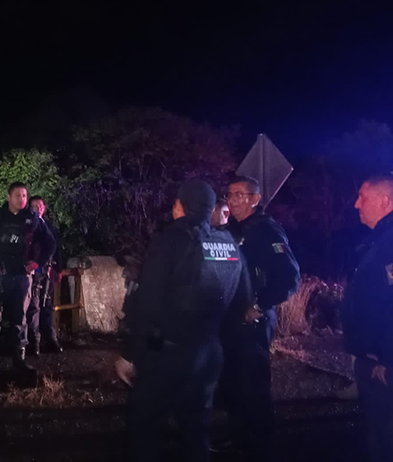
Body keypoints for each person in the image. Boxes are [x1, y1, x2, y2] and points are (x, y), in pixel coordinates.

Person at [115, 179, 252, 462]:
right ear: (210, 209)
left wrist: (130, 354)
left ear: (181, 206)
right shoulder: (229, 244)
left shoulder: (170, 242)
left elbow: (148, 305)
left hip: (168, 354)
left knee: (146, 430)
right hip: (209, 354)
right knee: (196, 430)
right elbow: (243, 301)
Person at [218, 175, 300, 460]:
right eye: (230, 195)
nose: (233, 200)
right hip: (230, 319)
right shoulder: (231, 230)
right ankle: (238, 436)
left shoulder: (267, 231)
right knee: (232, 380)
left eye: (240, 195)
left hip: (253, 320)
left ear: (255, 199)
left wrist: (259, 305)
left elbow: (289, 277)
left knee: (253, 384)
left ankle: (261, 445)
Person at [341, 173, 393, 462]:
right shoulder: (381, 239)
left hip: (385, 366)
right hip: (374, 359)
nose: (356, 204)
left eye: (362, 197)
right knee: (379, 434)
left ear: (385, 201)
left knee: (389, 436)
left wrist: (390, 358)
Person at [0, 183, 55, 379]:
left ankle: (19, 362)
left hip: (21, 276)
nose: (22, 199)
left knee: (20, 319)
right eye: (18, 195)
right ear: (8, 197)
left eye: (25, 196)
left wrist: (36, 263)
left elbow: (50, 243)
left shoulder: (33, 219)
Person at [26, 196, 63, 355]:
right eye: (35, 206)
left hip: (47, 271)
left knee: (47, 305)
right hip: (33, 271)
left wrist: (59, 269)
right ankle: (34, 341)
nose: (38, 208)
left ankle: (50, 338)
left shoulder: (48, 226)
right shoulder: (28, 225)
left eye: (40, 206)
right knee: (34, 307)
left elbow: (56, 247)